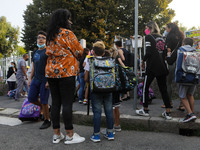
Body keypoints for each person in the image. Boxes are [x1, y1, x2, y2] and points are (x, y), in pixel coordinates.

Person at [46, 9, 85, 144]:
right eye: (69, 18)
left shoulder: (50, 35)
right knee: (67, 103)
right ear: (64, 20)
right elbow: (79, 52)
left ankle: (56, 134)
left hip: (51, 72)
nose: (70, 21)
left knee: (55, 103)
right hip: (66, 72)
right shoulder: (67, 33)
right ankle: (70, 135)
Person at [136, 21, 172, 120]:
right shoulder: (162, 38)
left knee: (145, 87)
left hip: (152, 66)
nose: (145, 29)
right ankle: (168, 112)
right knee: (163, 89)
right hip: (162, 66)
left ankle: (145, 109)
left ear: (149, 28)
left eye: (146, 27)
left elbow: (148, 52)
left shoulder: (148, 37)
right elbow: (164, 52)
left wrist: (143, 60)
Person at [85, 46, 114, 143]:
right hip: (109, 88)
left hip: (96, 89)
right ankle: (110, 133)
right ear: (103, 53)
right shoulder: (110, 60)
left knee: (97, 112)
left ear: (93, 52)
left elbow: (85, 78)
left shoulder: (90, 61)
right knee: (109, 111)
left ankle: (96, 135)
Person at [28, 31, 51, 129]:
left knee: (44, 100)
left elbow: (51, 66)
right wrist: (30, 78)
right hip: (35, 79)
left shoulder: (48, 52)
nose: (40, 39)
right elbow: (33, 67)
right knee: (31, 98)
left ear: (46, 40)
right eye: (39, 38)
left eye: (43, 38)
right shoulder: (35, 52)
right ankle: (46, 108)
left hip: (45, 79)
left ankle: (47, 120)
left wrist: (48, 80)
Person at [161, 23, 185, 110]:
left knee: (168, 82)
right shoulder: (181, 36)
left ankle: (169, 102)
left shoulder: (169, 36)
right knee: (180, 83)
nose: (166, 30)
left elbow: (167, 49)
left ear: (170, 28)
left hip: (171, 61)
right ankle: (182, 104)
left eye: (166, 28)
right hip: (181, 61)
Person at [174, 38, 197, 123]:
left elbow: (176, 63)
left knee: (182, 97)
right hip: (194, 76)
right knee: (190, 95)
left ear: (183, 43)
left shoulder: (180, 50)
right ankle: (192, 113)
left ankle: (190, 114)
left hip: (183, 76)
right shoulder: (196, 52)